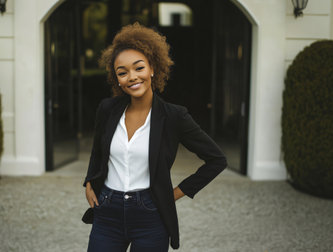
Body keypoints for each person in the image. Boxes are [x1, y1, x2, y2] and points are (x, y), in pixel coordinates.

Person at [82, 23, 227, 251]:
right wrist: (89, 181)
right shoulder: (107, 109)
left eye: (138, 68)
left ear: (152, 68)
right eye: (123, 72)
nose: (132, 77)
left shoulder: (174, 116)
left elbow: (217, 160)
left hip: (150, 216)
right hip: (107, 212)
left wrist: (174, 194)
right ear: (117, 79)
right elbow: (98, 150)